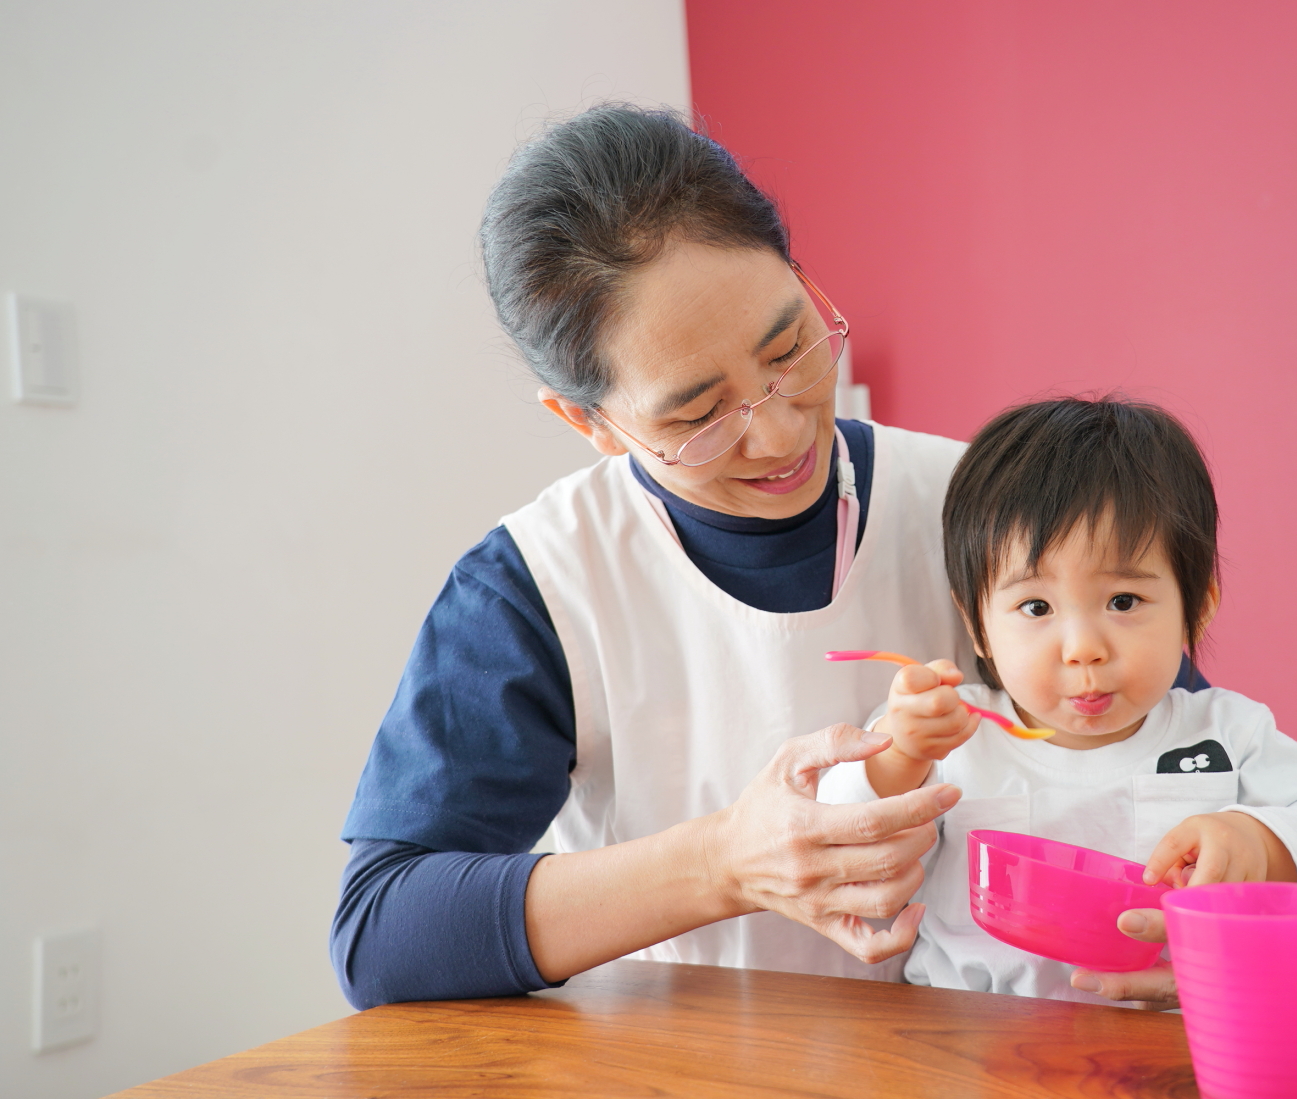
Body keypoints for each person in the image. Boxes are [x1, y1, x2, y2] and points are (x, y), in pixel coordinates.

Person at [329, 104, 1204, 1010]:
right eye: (697, 415)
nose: (782, 431)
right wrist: (721, 862)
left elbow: (1192, 767)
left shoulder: (987, 511)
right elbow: (384, 934)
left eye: (789, 348)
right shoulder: (538, 587)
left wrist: (1191, 919)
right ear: (586, 422)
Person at [819, 397, 1297, 1004]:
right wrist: (896, 760)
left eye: (1123, 601)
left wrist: (1261, 843)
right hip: (964, 1047)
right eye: (1036, 608)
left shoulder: (1227, 735)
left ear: (1195, 606)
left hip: (1164, 1048)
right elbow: (837, 831)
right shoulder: (949, 733)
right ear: (979, 624)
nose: (1083, 649)